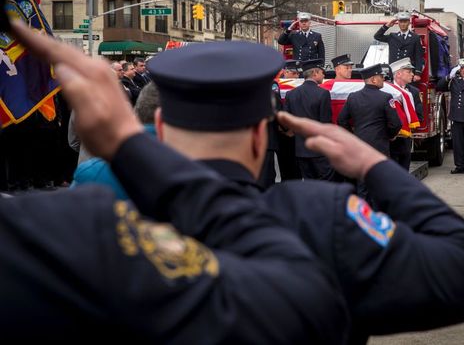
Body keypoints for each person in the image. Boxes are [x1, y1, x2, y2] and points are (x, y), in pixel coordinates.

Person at [1, 20, 349, 344]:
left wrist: (127, 150)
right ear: (259, 138)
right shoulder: (305, 225)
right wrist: (375, 167)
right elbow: (323, 308)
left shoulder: (56, 230)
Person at [144, 42, 464, 344]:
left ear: (158, 128)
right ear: (260, 135)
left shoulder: (106, 227)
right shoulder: (320, 215)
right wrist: (375, 166)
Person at [338, 64, 402, 201]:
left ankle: (363, 217)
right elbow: (396, 123)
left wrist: (353, 136)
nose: (383, 80)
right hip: (379, 147)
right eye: (381, 77)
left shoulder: (353, 97)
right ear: (373, 79)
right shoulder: (385, 97)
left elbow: (341, 120)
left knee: (363, 185)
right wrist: (390, 135)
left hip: (360, 147)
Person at [284, 59, 334, 180]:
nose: (324, 75)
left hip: (301, 149)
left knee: (308, 181)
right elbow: (325, 123)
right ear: (315, 73)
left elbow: (286, 120)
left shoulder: (291, 94)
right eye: (322, 72)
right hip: (319, 149)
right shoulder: (323, 94)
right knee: (325, 181)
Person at [389, 57, 424, 171]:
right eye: (408, 72)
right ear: (398, 74)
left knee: (404, 169)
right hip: (390, 139)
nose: (412, 74)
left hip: (405, 139)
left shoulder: (414, 91)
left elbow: (419, 115)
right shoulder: (386, 89)